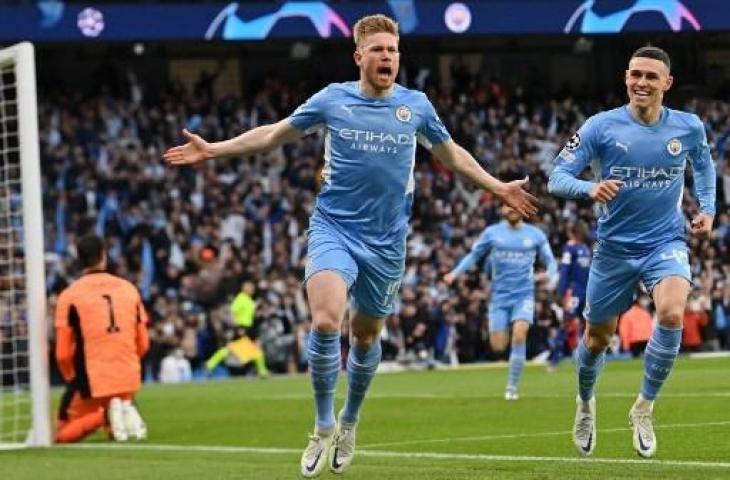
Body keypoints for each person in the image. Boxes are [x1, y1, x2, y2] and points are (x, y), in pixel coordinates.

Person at [164, 13, 537, 477]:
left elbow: (450, 153)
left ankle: (349, 421)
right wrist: (214, 149)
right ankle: (321, 424)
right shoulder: (332, 99)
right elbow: (275, 133)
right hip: (334, 227)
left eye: (394, 50)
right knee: (324, 321)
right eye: (379, 49)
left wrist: (497, 187)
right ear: (359, 56)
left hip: (387, 241)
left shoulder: (415, 105)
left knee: (365, 336)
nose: (388, 57)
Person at [548, 46, 716, 458]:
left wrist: (708, 209)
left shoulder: (688, 127)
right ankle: (585, 403)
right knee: (597, 338)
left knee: (674, 311)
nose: (641, 82)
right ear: (626, 77)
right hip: (615, 249)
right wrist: (589, 188)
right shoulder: (601, 127)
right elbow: (556, 176)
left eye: (650, 76)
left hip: (665, 242)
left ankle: (644, 407)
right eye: (635, 74)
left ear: (667, 83)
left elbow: (705, 166)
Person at [444, 204, 557, 400]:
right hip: (499, 297)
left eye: (515, 207)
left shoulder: (536, 235)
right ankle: (510, 366)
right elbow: (474, 255)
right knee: (498, 346)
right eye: (507, 207)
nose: (512, 210)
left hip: (524, 294)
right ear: (502, 210)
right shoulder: (492, 233)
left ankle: (512, 387)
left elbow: (550, 260)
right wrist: (454, 274)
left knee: (520, 335)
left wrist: (549, 274)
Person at [54, 234, 150, 443]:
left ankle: (105, 414)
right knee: (114, 429)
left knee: (61, 434)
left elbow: (62, 353)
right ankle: (122, 409)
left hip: (92, 378)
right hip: (127, 377)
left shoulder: (70, 296)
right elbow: (143, 343)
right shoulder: (129, 289)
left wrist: (73, 379)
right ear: (104, 256)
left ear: (79, 259)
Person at [549, 220, 591, 370]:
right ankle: (554, 360)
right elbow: (565, 271)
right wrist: (561, 292)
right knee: (568, 323)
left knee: (585, 324)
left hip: (583, 291)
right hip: (574, 292)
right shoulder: (571, 248)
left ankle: (583, 357)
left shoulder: (584, 248)